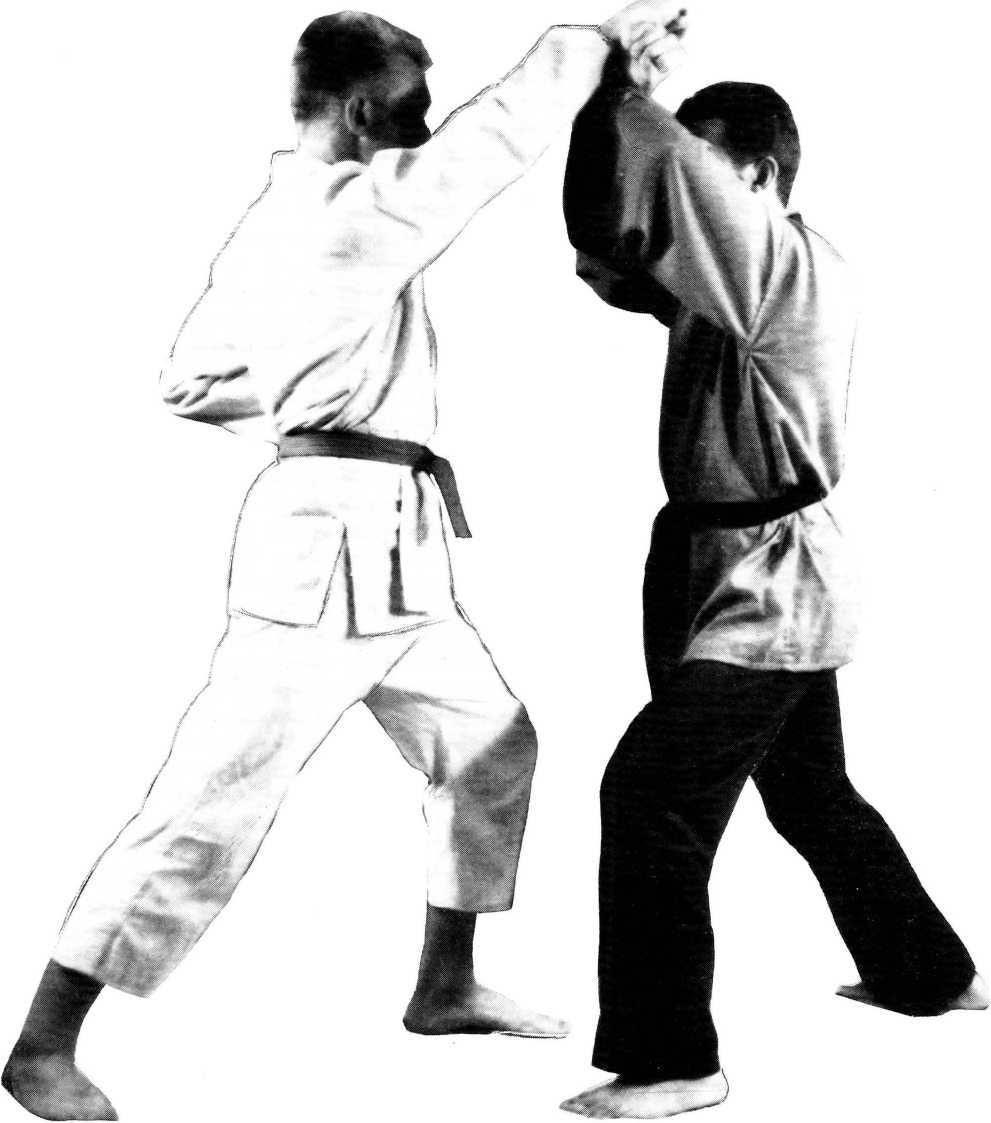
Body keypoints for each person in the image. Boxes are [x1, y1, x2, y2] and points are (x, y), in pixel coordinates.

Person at [1, 5, 692, 1121]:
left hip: (397, 553)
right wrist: (598, 40)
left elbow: (190, 379)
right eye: (412, 109)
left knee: (491, 745)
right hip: (318, 565)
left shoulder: (290, 220)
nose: (424, 127)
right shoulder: (343, 214)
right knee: (210, 801)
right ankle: (42, 1045)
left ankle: (443, 984)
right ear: (365, 109)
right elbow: (493, 141)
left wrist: (302, 397)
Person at [558, 72, 988, 1120]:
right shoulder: (730, 277)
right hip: (709, 561)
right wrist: (593, 115)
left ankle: (672, 1062)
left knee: (650, 795)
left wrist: (615, 79)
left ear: (752, 175)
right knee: (808, 789)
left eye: (705, 172)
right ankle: (927, 974)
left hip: (773, 579)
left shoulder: (782, 269)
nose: (684, 193)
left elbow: (657, 168)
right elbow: (605, 239)